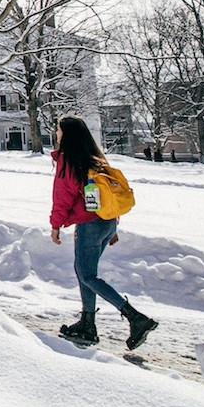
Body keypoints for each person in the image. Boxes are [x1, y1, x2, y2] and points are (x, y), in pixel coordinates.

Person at [50, 115, 158, 349]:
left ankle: (135, 318)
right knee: (84, 273)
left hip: (89, 226)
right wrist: (114, 226)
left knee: (87, 275)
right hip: (107, 223)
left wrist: (55, 225)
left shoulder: (68, 160)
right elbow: (108, 194)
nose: (56, 133)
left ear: (66, 134)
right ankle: (87, 323)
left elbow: (62, 197)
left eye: (58, 130)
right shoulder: (95, 158)